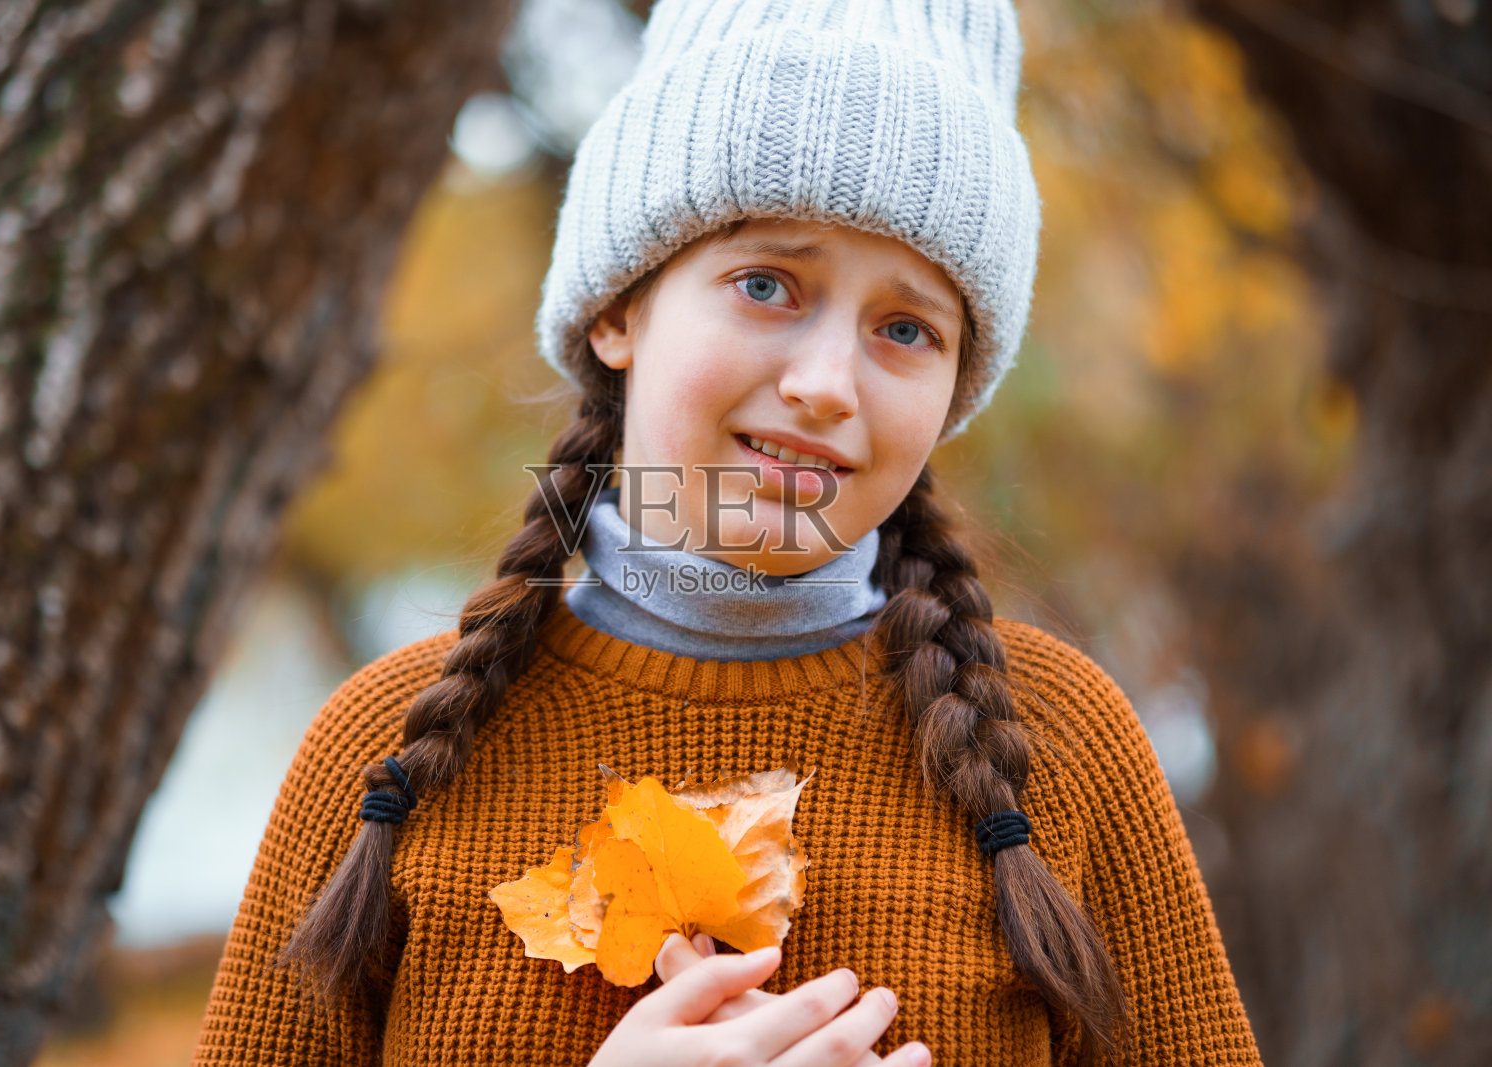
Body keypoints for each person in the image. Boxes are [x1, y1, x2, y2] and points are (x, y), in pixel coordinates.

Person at [191, 1, 1263, 1065]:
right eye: (765, 285)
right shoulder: (380, 755)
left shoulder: (1063, 748)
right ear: (620, 309)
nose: (825, 384)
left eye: (905, 328)